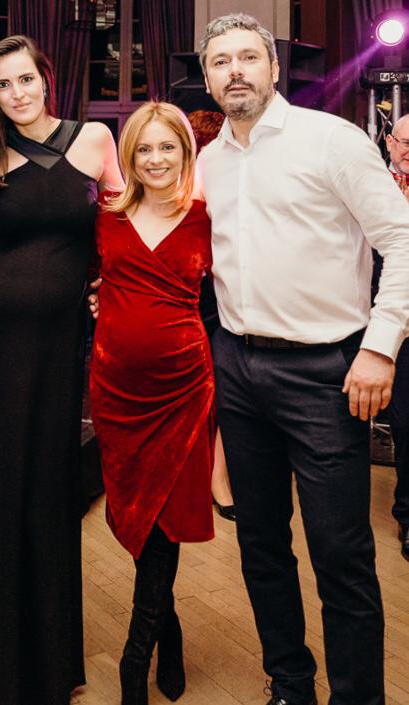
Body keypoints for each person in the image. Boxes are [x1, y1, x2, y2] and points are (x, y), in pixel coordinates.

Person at [198, 13, 409, 705]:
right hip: (238, 368)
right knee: (260, 545)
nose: (235, 70)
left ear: (273, 67)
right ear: (207, 78)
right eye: (220, 60)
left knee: (341, 555)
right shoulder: (208, 161)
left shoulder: (332, 141)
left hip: (327, 375)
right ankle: (290, 684)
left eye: (247, 57)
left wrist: (379, 346)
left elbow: (403, 240)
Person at [0, 34, 121, 705]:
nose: (17, 94)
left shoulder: (95, 139)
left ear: (46, 78)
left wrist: (114, 280)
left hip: (57, 345)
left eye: (25, 79)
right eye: (3, 85)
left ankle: (43, 665)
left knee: (45, 487)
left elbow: (122, 223)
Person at [90, 101, 214, 705]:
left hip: (184, 390)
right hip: (116, 392)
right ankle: (170, 631)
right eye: (144, 149)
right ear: (129, 157)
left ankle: (133, 662)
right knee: (135, 516)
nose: (156, 159)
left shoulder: (207, 216)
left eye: (168, 147)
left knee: (164, 519)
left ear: (185, 153)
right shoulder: (106, 217)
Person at [187, 109, 235, 521]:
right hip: (188, 303)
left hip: (222, 301)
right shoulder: (177, 189)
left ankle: (219, 479)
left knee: (221, 392)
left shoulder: (233, 185)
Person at [384, 113, 409, 559]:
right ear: (389, 142)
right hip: (390, 324)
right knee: (406, 424)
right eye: (405, 142)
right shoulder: (374, 186)